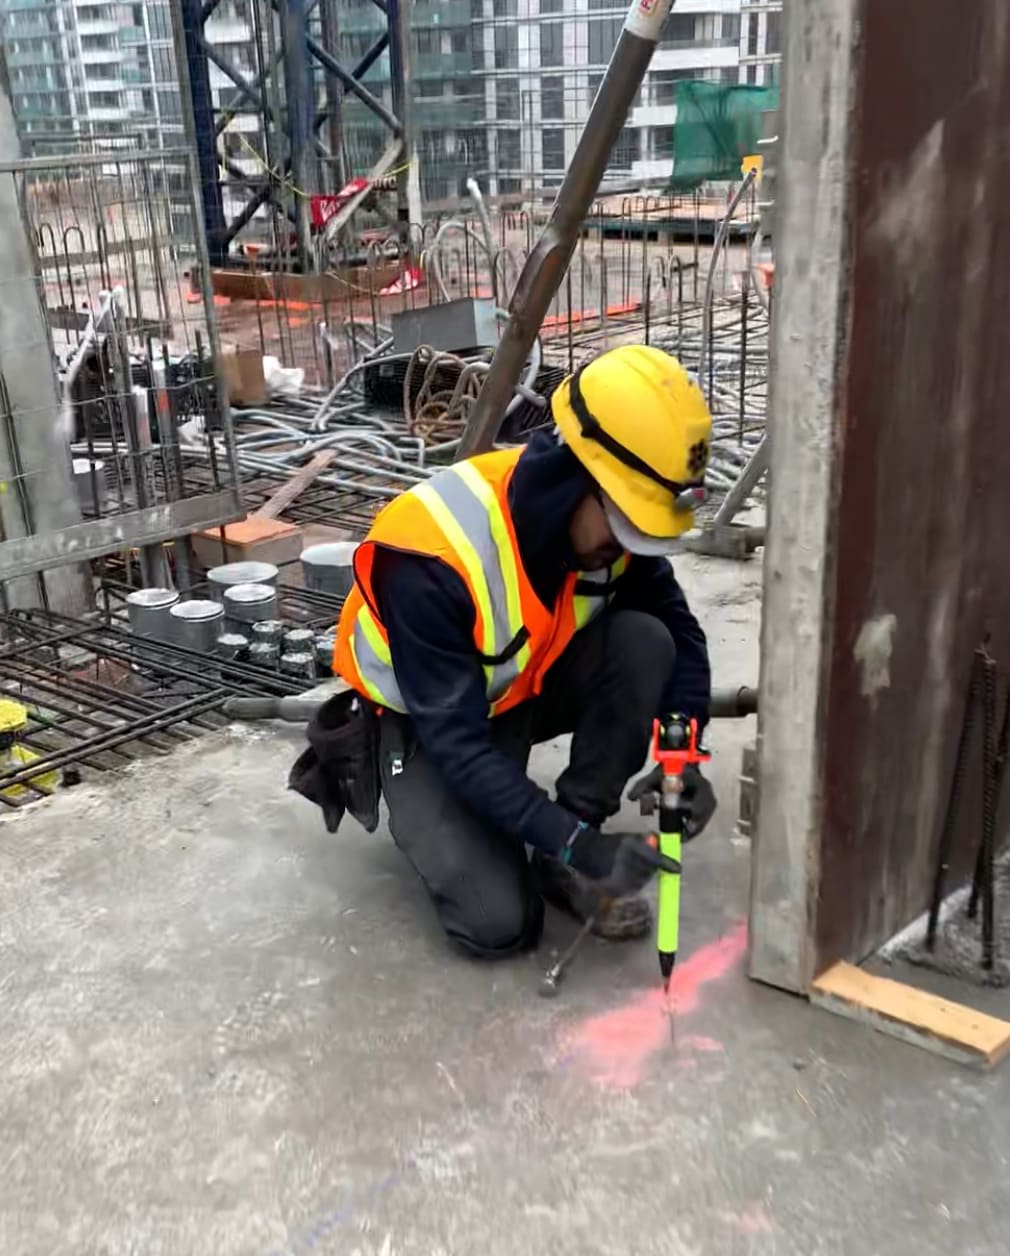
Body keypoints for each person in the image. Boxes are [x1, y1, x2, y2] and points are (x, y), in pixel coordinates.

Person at [294, 344, 716, 958]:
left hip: (517, 688)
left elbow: (680, 632)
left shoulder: (607, 527)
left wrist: (686, 753)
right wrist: (577, 843)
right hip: (427, 723)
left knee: (645, 640)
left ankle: (564, 846)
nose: (630, 549)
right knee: (496, 924)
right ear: (577, 478)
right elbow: (461, 746)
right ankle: (465, 806)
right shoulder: (434, 556)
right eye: (627, 527)